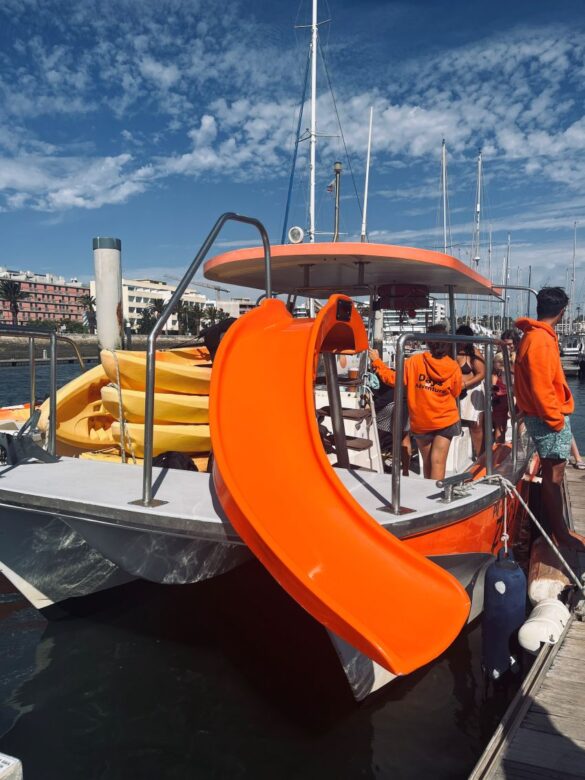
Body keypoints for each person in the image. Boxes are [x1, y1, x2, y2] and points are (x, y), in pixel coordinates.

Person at [515, 287, 585, 550]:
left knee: (552, 475)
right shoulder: (541, 340)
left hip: (540, 415)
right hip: (547, 418)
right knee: (554, 477)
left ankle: (557, 531)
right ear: (562, 311)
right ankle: (561, 535)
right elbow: (541, 386)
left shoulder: (532, 336)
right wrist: (555, 420)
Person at [368, 323, 462, 480]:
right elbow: (456, 391)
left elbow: (392, 379)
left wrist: (377, 361)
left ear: (427, 342)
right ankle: (437, 499)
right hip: (446, 419)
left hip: (422, 421)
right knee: (438, 462)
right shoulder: (453, 366)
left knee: (427, 462)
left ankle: (429, 497)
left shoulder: (414, 362)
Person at [456, 324, 486, 458]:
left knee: (475, 425)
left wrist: (465, 384)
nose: (461, 341)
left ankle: (480, 456)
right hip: (455, 392)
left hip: (471, 391)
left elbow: (482, 373)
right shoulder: (452, 350)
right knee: (457, 423)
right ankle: (461, 456)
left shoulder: (474, 352)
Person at [491, 352, 509, 443]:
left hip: (498, 401)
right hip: (506, 400)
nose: (493, 363)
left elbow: (493, 387)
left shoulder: (496, 374)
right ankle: (500, 445)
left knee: (498, 426)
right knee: (502, 425)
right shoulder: (508, 373)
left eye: (494, 362)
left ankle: (498, 447)